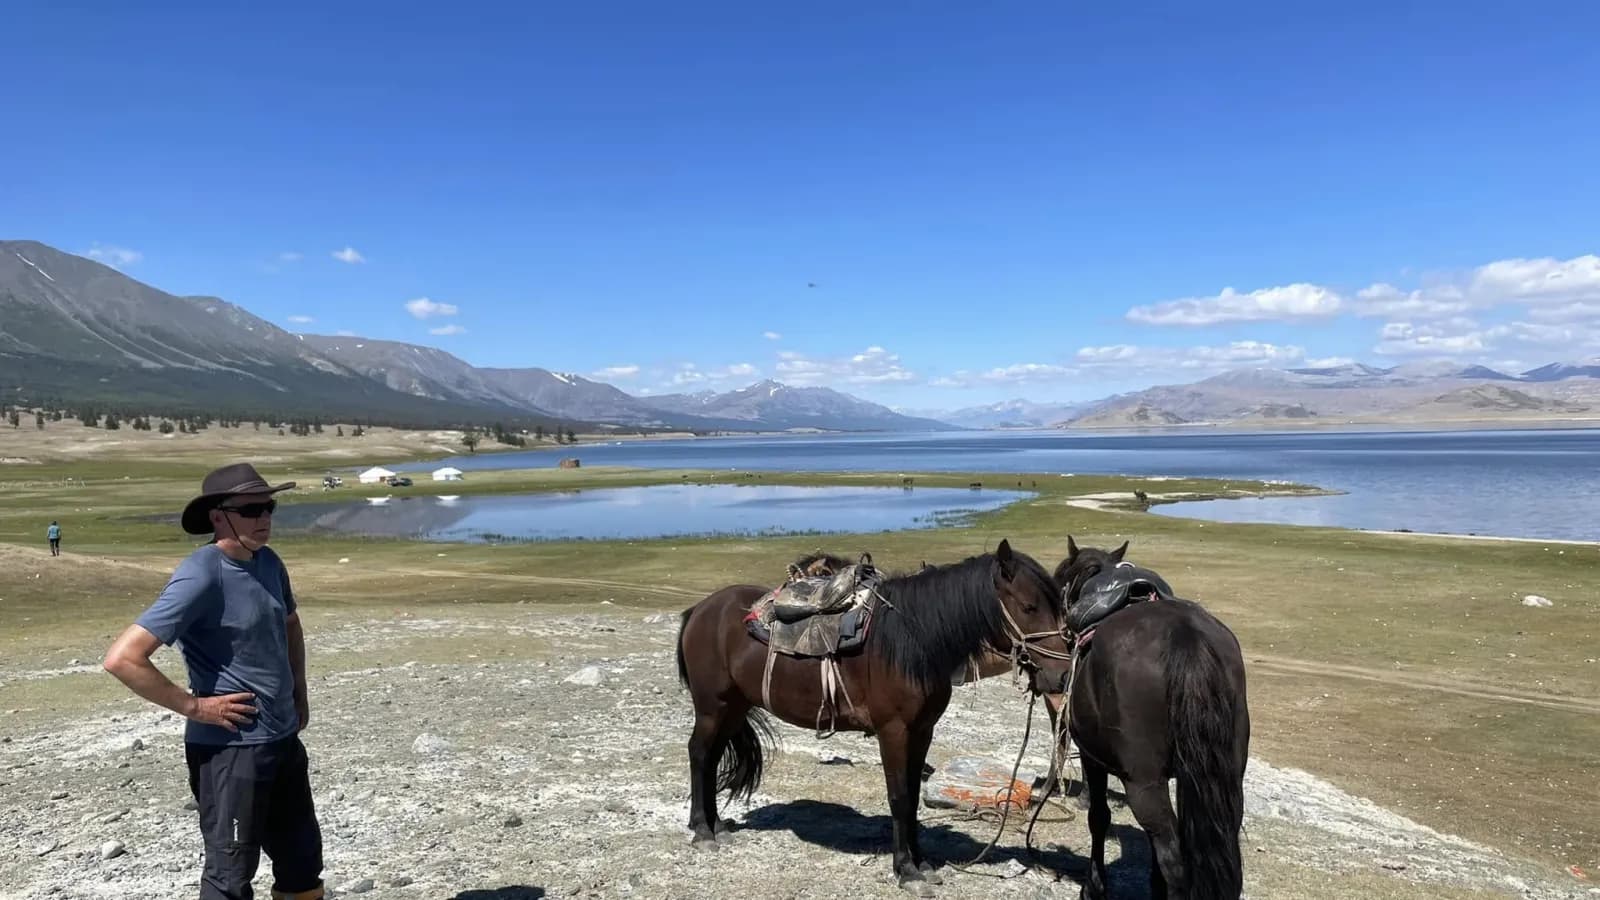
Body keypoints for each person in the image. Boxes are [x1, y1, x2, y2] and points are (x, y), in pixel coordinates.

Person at [102, 463, 324, 900]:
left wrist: (298, 689)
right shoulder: (201, 574)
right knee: (230, 875)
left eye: (269, 507)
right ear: (218, 516)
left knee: (302, 862)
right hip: (230, 752)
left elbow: (290, 624)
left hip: (281, 740)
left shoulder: (268, 561)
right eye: (251, 509)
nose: (264, 518)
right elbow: (123, 658)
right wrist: (195, 707)